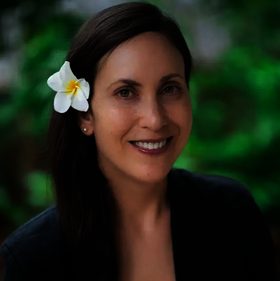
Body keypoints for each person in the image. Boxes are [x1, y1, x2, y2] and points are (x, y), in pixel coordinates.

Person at [0, 2, 278, 281]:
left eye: (169, 88)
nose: (155, 119)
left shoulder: (231, 213)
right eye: (125, 92)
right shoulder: (33, 257)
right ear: (85, 115)